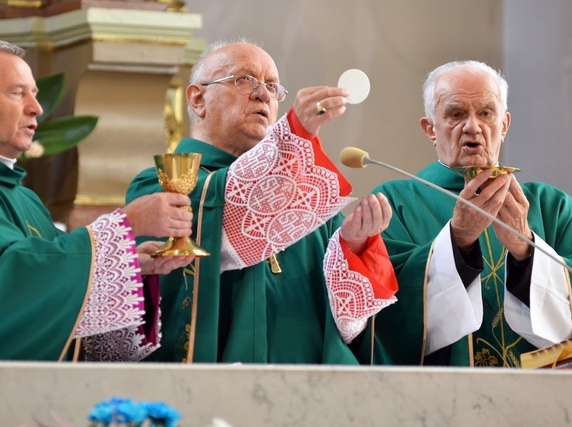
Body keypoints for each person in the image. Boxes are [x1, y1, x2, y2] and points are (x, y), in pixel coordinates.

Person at [0, 39, 195, 362]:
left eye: (34, 93)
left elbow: (57, 273)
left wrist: (128, 265)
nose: (36, 107)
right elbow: (3, 294)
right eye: (18, 92)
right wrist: (126, 226)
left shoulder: (24, 197)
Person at [125, 40, 399, 364]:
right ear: (198, 98)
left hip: (311, 391)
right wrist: (295, 134)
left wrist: (352, 244)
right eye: (244, 80)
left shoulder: (305, 199)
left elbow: (351, 322)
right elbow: (230, 211)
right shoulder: (159, 184)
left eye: (272, 86)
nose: (263, 94)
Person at [372, 60, 572, 367]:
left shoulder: (551, 205)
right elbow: (381, 311)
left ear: (503, 125)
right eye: (455, 114)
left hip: (542, 397)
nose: (472, 126)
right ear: (430, 129)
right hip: (438, 395)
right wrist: (458, 241)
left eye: (486, 113)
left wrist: (525, 248)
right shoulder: (394, 203)